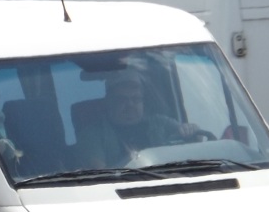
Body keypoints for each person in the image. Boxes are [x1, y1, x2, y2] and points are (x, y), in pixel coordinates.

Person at [80, 70, 210, 167]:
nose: (130, 105)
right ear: (109, 102)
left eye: (136, 99)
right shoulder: (93, 134)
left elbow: (195, 140)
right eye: (122, 99)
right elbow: (101, 176)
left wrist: (192, 130)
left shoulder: (160, 122)